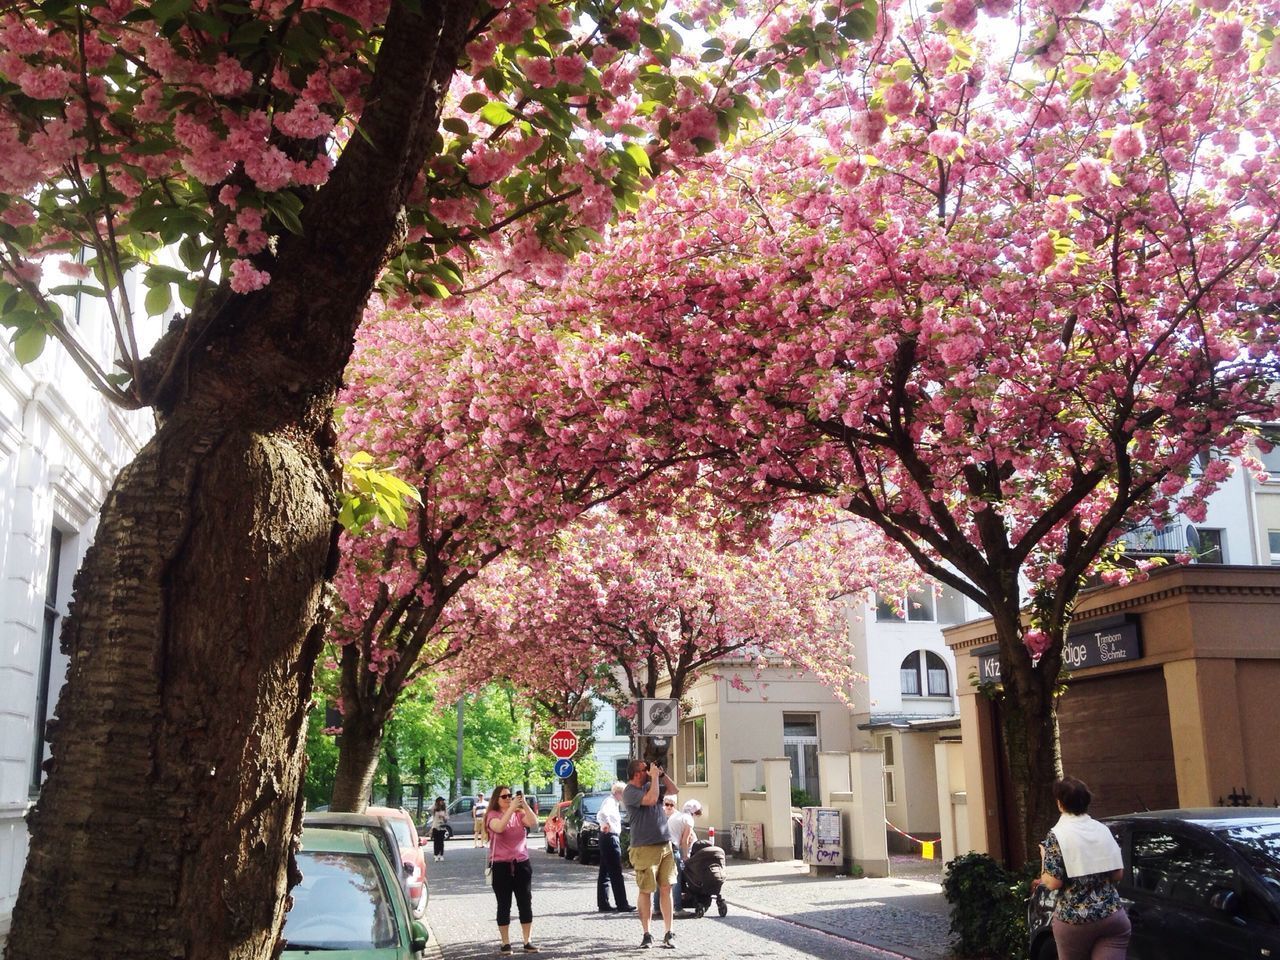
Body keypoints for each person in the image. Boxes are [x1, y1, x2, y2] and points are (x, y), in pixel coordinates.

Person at [1037, 777, 1130, 960]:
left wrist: (1044, 858)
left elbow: (1053, 882)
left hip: (1074, 921)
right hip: (1111, 916)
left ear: (1060, 803)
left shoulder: (1057, 835)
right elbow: (1118, 874)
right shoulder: (1102, 830)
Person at [623, 758, 678, 949]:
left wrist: (661, 775)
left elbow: (674, 791)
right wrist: (654, 778)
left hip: (665, 844)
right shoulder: (630, 792)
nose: (648, 770)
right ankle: (647, 933)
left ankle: (669, 932)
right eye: (645, 769)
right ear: (636, 773)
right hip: (644, 847)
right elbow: (652, 799)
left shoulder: (650, 783)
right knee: (646, 890)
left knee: (666, 888)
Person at [486, 785, 540, 954]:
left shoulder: (518, 814)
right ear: (496, 799)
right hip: (501, 865)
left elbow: (534, 823)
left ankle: (527, 940)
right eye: (504, 796)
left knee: (525, 902)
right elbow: (499, 827)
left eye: (510, 796)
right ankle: (505, 942)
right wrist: (510, 809)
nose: (509, 798)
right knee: (504, 904)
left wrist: (524, 804)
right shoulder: (492, 816)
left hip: (521, 864)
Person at [596, 781, 635, 913]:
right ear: (619, 793)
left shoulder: (612, 802)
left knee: (605, 872)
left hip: (606, 837)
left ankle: (603, 903)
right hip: (610, 837)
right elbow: (603, 814)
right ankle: (622, 904)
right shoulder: (610, 802)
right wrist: (607, 825)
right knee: (616, 872)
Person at [430, 796, 448, 862]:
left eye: (443, 801)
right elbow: (430, 809)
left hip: (442, 826)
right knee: (436, 842)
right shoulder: (435, 809)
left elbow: (446, 819)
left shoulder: (445, 809)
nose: (442, 802)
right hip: (435, 826)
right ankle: (436, 855)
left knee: (441, 842)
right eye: (441, 801)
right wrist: (435, 804)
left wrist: (444, 817)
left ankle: (441, 854)